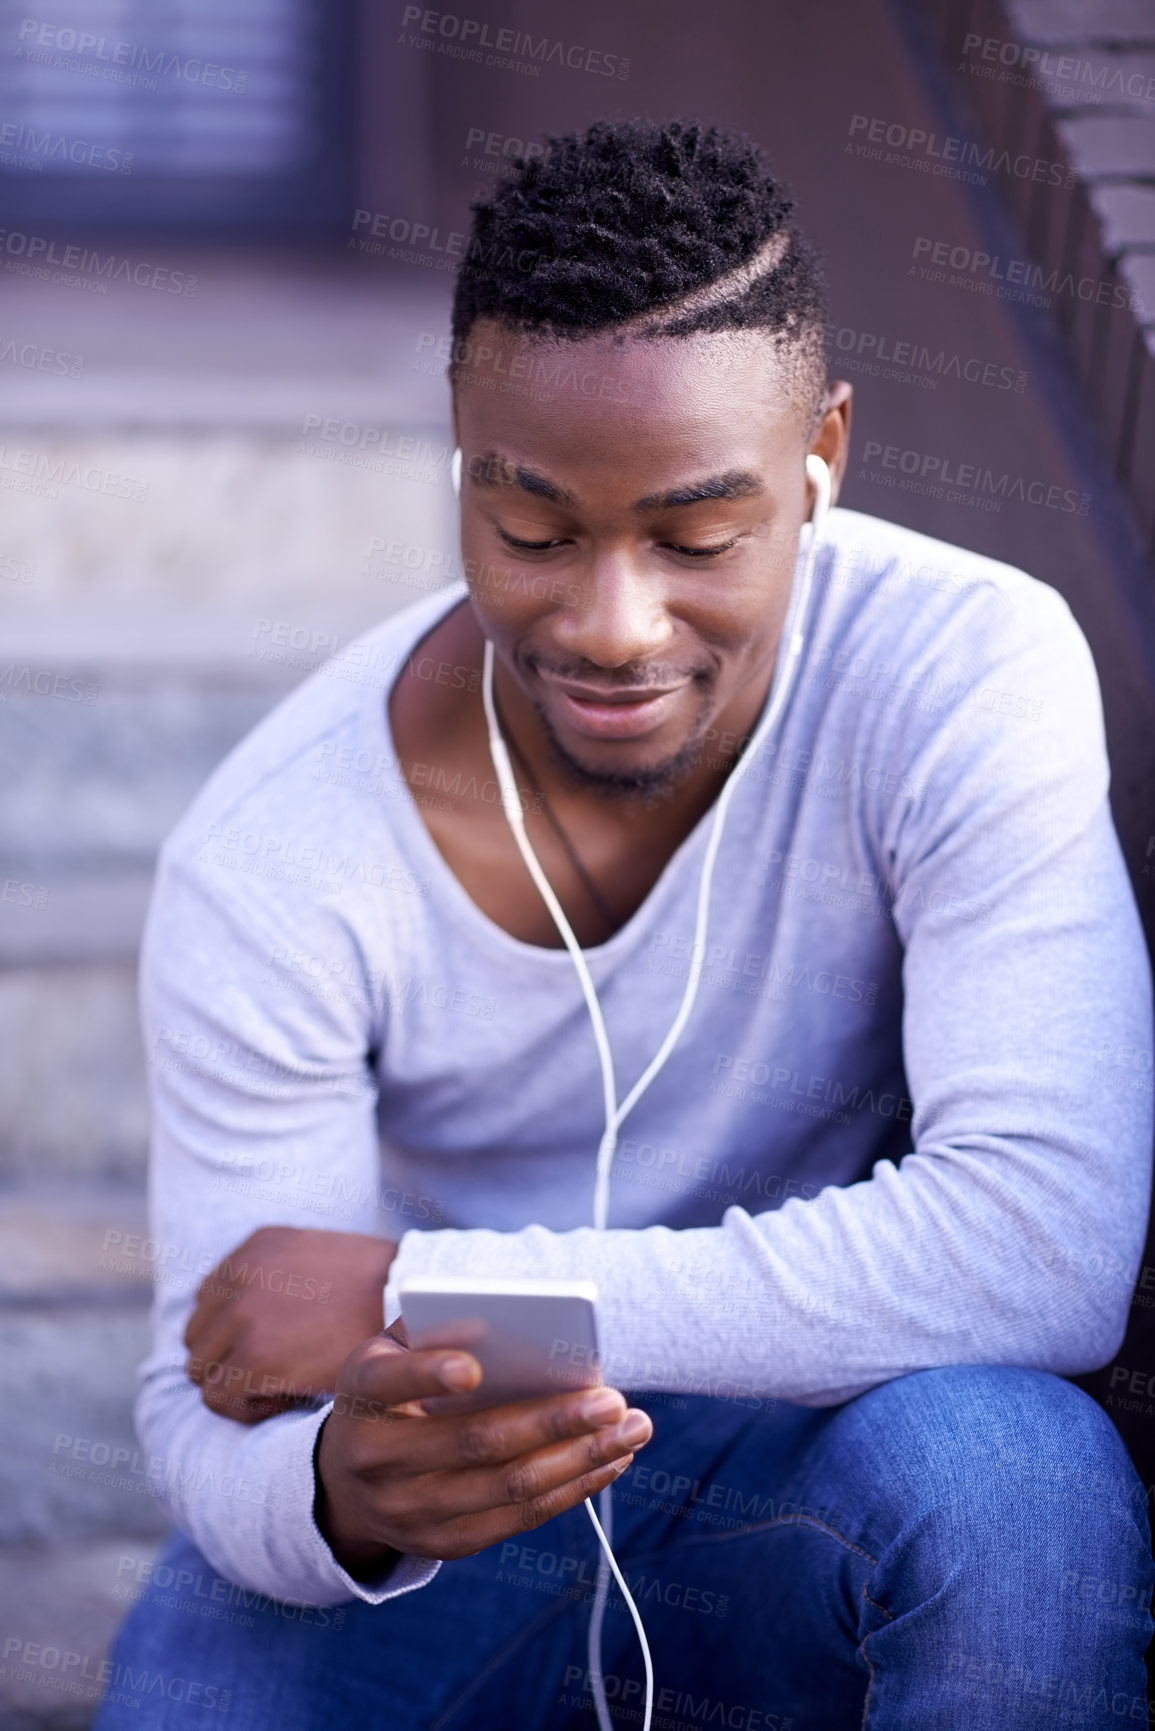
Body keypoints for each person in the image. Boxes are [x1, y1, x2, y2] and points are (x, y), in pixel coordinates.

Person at [96, 119, 1154, 1729]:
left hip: (814, 1472)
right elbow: (220, 1390)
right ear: (462, 460)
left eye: (698, 537)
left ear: (826, 460)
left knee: (1012, 1481)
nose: (611, 622)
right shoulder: (278, 855)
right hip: (469, 1537)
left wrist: (408, 1285)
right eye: (532, 532)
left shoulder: (965, 672)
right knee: (197, 1670)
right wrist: (342, 1492)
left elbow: (1043, 1248)